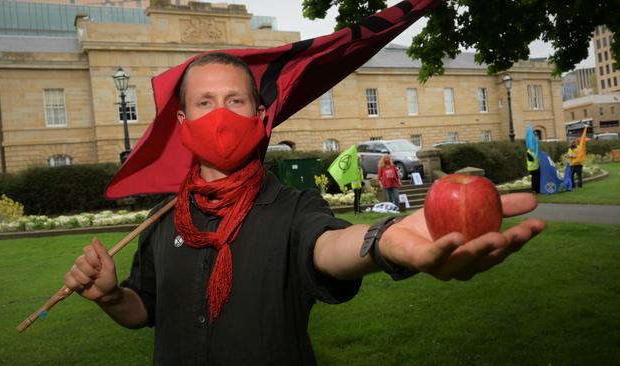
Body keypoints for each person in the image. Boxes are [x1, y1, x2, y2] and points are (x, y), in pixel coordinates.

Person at [64, 53, 545, 365]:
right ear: (183, 121)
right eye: (205, 102)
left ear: (260, 117)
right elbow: (144, 309)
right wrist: (110, 297)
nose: (222, 115)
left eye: (235, 100)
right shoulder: (164, 219)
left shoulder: (292, 208)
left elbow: (329, 245)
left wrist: (383, 241)